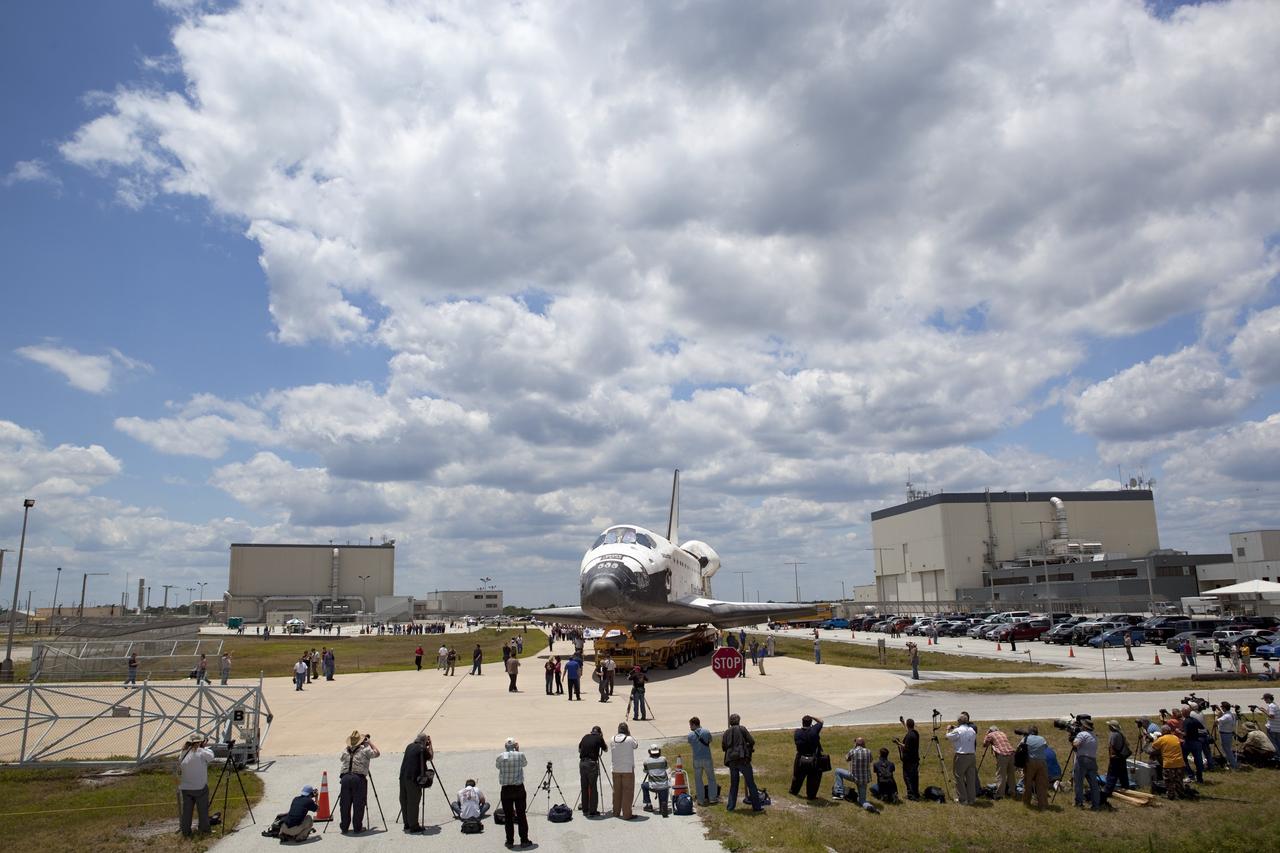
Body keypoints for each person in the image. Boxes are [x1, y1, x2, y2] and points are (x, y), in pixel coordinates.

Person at [338, 730, 380, 833]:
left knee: (345, 804)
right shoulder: (365, 750)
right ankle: (357, 827)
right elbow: (377, 753)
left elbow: (341, 758)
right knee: (358, 803)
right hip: (358, 779)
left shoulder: (346, 750)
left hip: (345, 778)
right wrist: (369, 743)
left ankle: (344, 827)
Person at [722, 713, 763, 812]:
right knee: (751, 784)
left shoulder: (726, 732)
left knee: (734, 784)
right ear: (739, 721)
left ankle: (730, 807)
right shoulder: (742, 729)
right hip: (742, 759)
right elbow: (752, 741)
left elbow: (724, 747)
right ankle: (756, 807)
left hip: (731, 760)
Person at [495, 738, 531, 848]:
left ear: (505, 746)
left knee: (508, 816)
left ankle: (510, 841)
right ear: (515, 745)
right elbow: (525, 764)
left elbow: (498, 766)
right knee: (521, 815)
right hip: (518, 789)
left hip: (506, 790)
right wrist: (518, 750)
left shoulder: (500, 757)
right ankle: (524, 840)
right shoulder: (520, 755)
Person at [177, 732, 215, 837]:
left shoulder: (183, 752)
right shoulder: (202, 751)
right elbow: (211, 756)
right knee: (202, 810)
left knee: (187, 812)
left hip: (185, 787)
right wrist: (205, 747)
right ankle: (204, 830)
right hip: (199, 787)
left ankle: (185, 831)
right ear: (200, 742)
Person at [399, 733, 432, 833]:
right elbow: (430, 757)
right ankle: (414, 826)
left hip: (403, 777)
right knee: (413, 802)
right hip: (413, 779)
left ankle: (407, 824)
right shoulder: (422, 749)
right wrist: (430, 745)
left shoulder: (409, 746)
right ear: (424, 741)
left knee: (404, 800)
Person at [790, 714, 826, 800]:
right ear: (810, 723)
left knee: (797, 776)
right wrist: (813, 717)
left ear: (802, 723)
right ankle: (811, 795)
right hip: (813, 757)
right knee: (813, 778)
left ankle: (794, 791)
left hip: (800, 757)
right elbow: (821, 721)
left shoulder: (797, 732)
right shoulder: (814, 731)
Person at [945, 712, 978, 805]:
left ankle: (963, 799)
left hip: (961, 756)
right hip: (972, 755)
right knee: (971, 778)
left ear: (959, 721)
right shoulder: (972, 730)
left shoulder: (958, 731)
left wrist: (948, 730)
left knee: (959, 777)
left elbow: (948, 737)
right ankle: (972, 799)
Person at [1071, 718, 1103, 810]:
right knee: (1094, 784)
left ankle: (1079, 802)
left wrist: (1073, 740)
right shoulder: (1094, 736)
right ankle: (1096, 804)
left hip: (1082, 760)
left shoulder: (1082, 734)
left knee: (1079, 782)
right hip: (1092, 760)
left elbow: (1076, 744)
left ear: (1084, 727)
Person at [610, 722, 639, 819]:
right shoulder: (629, 739)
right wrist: (629, 734)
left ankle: (616, 812)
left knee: (616, 791)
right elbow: (636, 745)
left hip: (615, 769)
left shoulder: (612, 739)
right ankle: (627, 814)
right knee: (627, 791)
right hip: (627, 769)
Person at [1017, 725, 1050, 809]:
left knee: (1028, 783)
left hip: (1030, 762)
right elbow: (1045, 747)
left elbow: (1019, 748)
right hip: (1042, 762)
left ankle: (1026, 803)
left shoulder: (1026, 738)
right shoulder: (1042, 738)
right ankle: (1043, 805)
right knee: (1041, 784)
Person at [688, 717, 719, 805]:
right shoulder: (706, 731)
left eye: (690, 725)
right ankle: (712, 798)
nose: (690, 727)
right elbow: (710, 740)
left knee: (698, 780)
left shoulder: (690, 735)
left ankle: (701, 800)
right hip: (707, 758)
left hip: (697, 759)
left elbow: (690, 743)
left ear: (694, 724)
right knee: (711, 778)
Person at [1149, 725, 1186, 799]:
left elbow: (1153, 747)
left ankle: (1171, 795)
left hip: (1169, 763)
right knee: (1178, 780)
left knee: (1169, 781)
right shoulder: (1175, 737)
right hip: (1179, 762)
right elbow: (1181, 742)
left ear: (1164, 732)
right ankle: (1180, 794)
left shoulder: (1162, 739)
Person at [578, 725, 608, 816]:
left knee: (584, 787)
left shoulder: (585, 736)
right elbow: (606, 749)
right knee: (593, 787)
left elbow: (579, 749)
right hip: (591, 764)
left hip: (582, 763)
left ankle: (585, 809)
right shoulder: (599, 738)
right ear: (599, 733)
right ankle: (592, 810)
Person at [832, 736, 871, 804]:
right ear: (863, 744)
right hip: (864, 779)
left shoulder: (853, 751)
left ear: (856, 744)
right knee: (862, 801)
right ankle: (868, 806)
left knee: (837, 771)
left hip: (854, 776)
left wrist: (854, 748)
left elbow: (846, 758)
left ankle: (840, 793)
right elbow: (870, 760)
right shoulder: (868, 751)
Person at [983, 725, 1016, 800]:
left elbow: (985, 744)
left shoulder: (990, 734)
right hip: (1011, 754)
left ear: (990, 730)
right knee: (1011, 774)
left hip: (1003, 755)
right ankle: (1012, 792)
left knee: (1001, 775)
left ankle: (1000, 794)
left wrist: (986, 734)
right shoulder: (1002, 733)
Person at [641, 744, 672, 816]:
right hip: (664, 785)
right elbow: (666, 767)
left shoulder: (646, 761)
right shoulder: (663, 759)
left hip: (653, 786)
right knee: (664, 788)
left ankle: (648, 805)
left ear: (649, 752)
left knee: (643, 785)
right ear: (659, 751)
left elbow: (645, 771)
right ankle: (663, 805)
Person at [893, 718, 920, 801]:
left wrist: (897, 743)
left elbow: (906, 746)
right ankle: (916, 793)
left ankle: (911, 794)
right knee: (914, 777)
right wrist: (903, 723)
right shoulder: (915, 733)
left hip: (909, 760)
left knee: (907, 777)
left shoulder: (909, 736)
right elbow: (908, 731)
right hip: (915, 759)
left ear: (908, 725)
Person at [1103, 720, 1131, 795]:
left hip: (1115, 757)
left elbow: (1111, 746)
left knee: (1112, 775)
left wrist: (1111, 755)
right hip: (1121, 757)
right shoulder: (1120, 734)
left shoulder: (1113, 735)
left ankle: (1107, 791)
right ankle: (1126, 788)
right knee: (1123, 774)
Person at [1181, 706, 1208, 783]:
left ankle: (1190, 775)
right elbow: (1202, 727)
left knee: (1183, 758)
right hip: (1197, 742)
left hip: (1189, 742)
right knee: (1198, 760)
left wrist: (1179, 732)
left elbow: (1185, 734)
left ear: (1184, 713)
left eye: (1182, 712)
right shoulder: (1194, 720)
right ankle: (1199, 778)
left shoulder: (1186, 721)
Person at [1214, 702, 1239, 771]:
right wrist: (1219, 709)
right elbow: (1224, 714)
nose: (1221, 708)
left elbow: (1216, 722)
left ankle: (1234, 765)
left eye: (1222, 707)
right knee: (1227, 749)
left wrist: (1216, 715)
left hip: (1225, 734)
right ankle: (1229, 762)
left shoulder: (1226, 716)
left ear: (1224, 708)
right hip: (1228, 733)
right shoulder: (1230, 714)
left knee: (1227, 750)